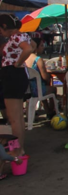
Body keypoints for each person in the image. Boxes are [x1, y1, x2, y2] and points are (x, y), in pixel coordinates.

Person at [0, 14, 33, 156]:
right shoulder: (23, 35)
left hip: (12, 75)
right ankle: (20, 149)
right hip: (18, 76)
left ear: (5, 26)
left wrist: (18, 62)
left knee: (14, 118)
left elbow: (29, 49)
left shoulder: (15, 37)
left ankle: (17, 150)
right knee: (18, 117)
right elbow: (34, 45)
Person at [25, 38, 58, 118]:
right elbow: (45, 77)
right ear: (35, 48)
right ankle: (51, 111)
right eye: (41, 45)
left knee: (42, 87)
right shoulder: (38, 60)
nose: (43, 47)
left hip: (26, 89)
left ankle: (48, 110)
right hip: (36, 90)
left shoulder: (24, 58)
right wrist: (49, 77)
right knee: (53, 89)